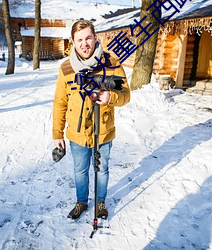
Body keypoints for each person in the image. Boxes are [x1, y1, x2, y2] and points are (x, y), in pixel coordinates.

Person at [52, 20, 130, 220]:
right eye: (79, 40)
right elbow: (60, 102)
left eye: (88, 38)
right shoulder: (67, 68)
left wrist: (110, 97)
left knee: (101, 168)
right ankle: (81, 202)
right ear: (73, 42)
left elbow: (125, 94)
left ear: (96, 38)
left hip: (103, 130)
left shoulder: (111, 63)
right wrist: (57, 134)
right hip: (77, 133)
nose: (84, 43)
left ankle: (101, 202)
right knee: (80, 170)